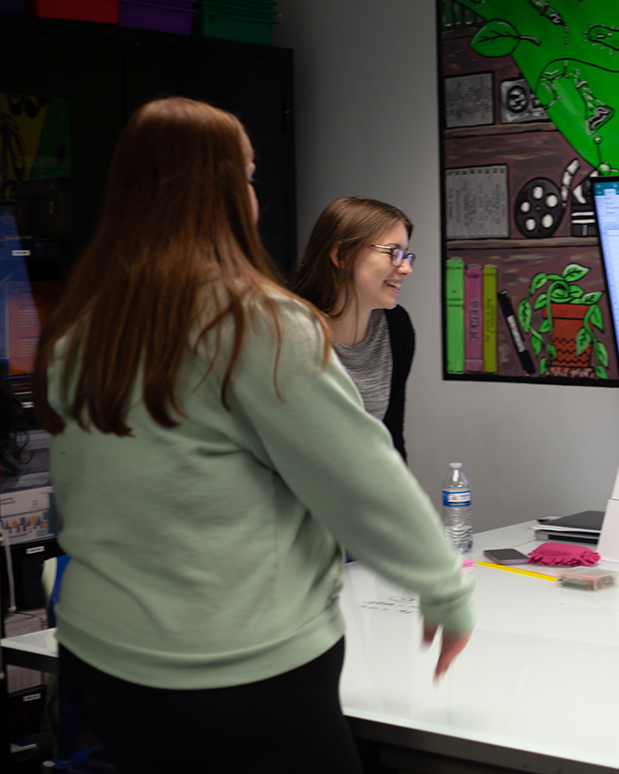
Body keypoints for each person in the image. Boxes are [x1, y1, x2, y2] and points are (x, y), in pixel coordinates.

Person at [32, 97, 472, 774]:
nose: (254, 194)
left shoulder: (83, 325)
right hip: (233, 668)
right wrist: (444, 586)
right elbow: (362, 480)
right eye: (247, 175)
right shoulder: (259, 325)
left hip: (102, 659)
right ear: (220, 195)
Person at [291, 197, 415, 460]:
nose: (406, 269)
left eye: (406, 255)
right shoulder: (286, 330)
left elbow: (390, 440)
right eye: (393, 253)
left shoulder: (396, 328)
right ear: (342, 255)